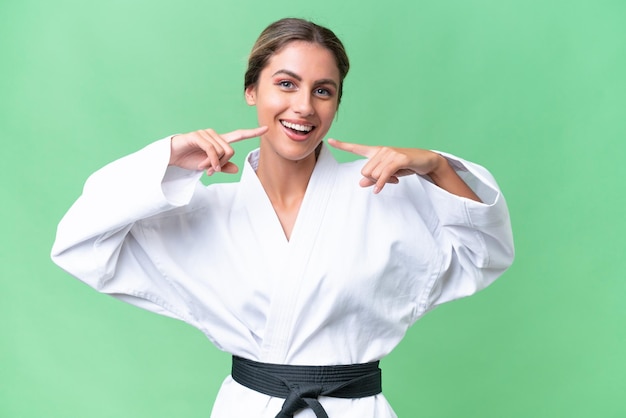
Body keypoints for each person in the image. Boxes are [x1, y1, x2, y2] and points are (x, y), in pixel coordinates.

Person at [51, 17, 514, 418]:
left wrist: (435, 165)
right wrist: (169, 159)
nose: (304, 107)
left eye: (323, 91)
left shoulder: (386, 195)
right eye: (286, 83)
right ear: (252, 90)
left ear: (335, 104)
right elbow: (79, 244)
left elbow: (487, 251)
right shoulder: (206, 212)